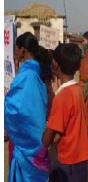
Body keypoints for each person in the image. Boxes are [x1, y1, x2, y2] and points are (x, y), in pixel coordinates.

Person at [5, 32, 51, 182]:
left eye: (16, 49)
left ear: (22, 50)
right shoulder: (36, 72)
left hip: (25, 139)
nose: (15, 52)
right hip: (36, 137)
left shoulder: (27, 75)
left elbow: (14, 109)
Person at [42, 43, 88, 182]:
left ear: (55, 64)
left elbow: (47, 139)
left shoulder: (62, 96)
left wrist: (45, 134)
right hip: (80, 157)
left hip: (68, 160)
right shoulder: (77, 89)